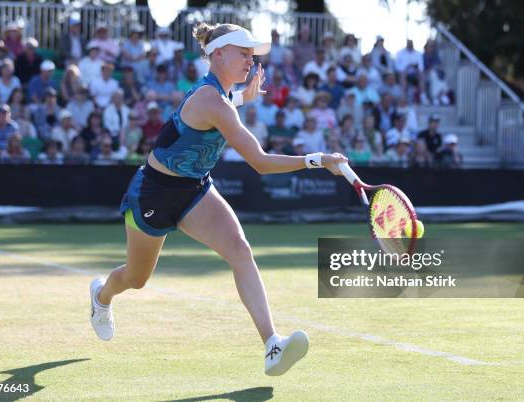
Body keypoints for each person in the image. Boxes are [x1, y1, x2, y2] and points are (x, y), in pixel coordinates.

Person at [89, 22, 346, 377]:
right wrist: (316, 160)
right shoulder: (212, 100)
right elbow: (259, 161)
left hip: (195, 189)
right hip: (153, 193)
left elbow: (221, 109)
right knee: (135, 278)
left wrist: (243, 97)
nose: (250, 62)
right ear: (218, 53)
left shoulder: (219, 97)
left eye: (252, 56)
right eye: (244, 54)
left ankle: (272, 345)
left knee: (240, 251)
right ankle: (102, 296)